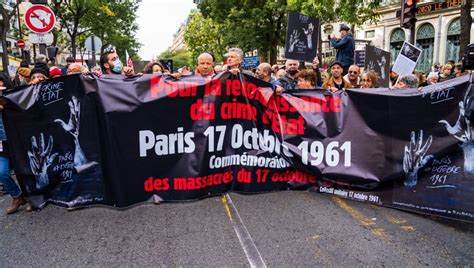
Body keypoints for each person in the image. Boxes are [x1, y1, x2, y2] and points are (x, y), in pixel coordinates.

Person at [0, 73, 31, 214]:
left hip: (18, 141)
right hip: (2, 143)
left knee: (27, 170)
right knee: (2, 173)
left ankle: (33, 197)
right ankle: (17, 196)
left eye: (2, 86)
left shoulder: (16, 99)